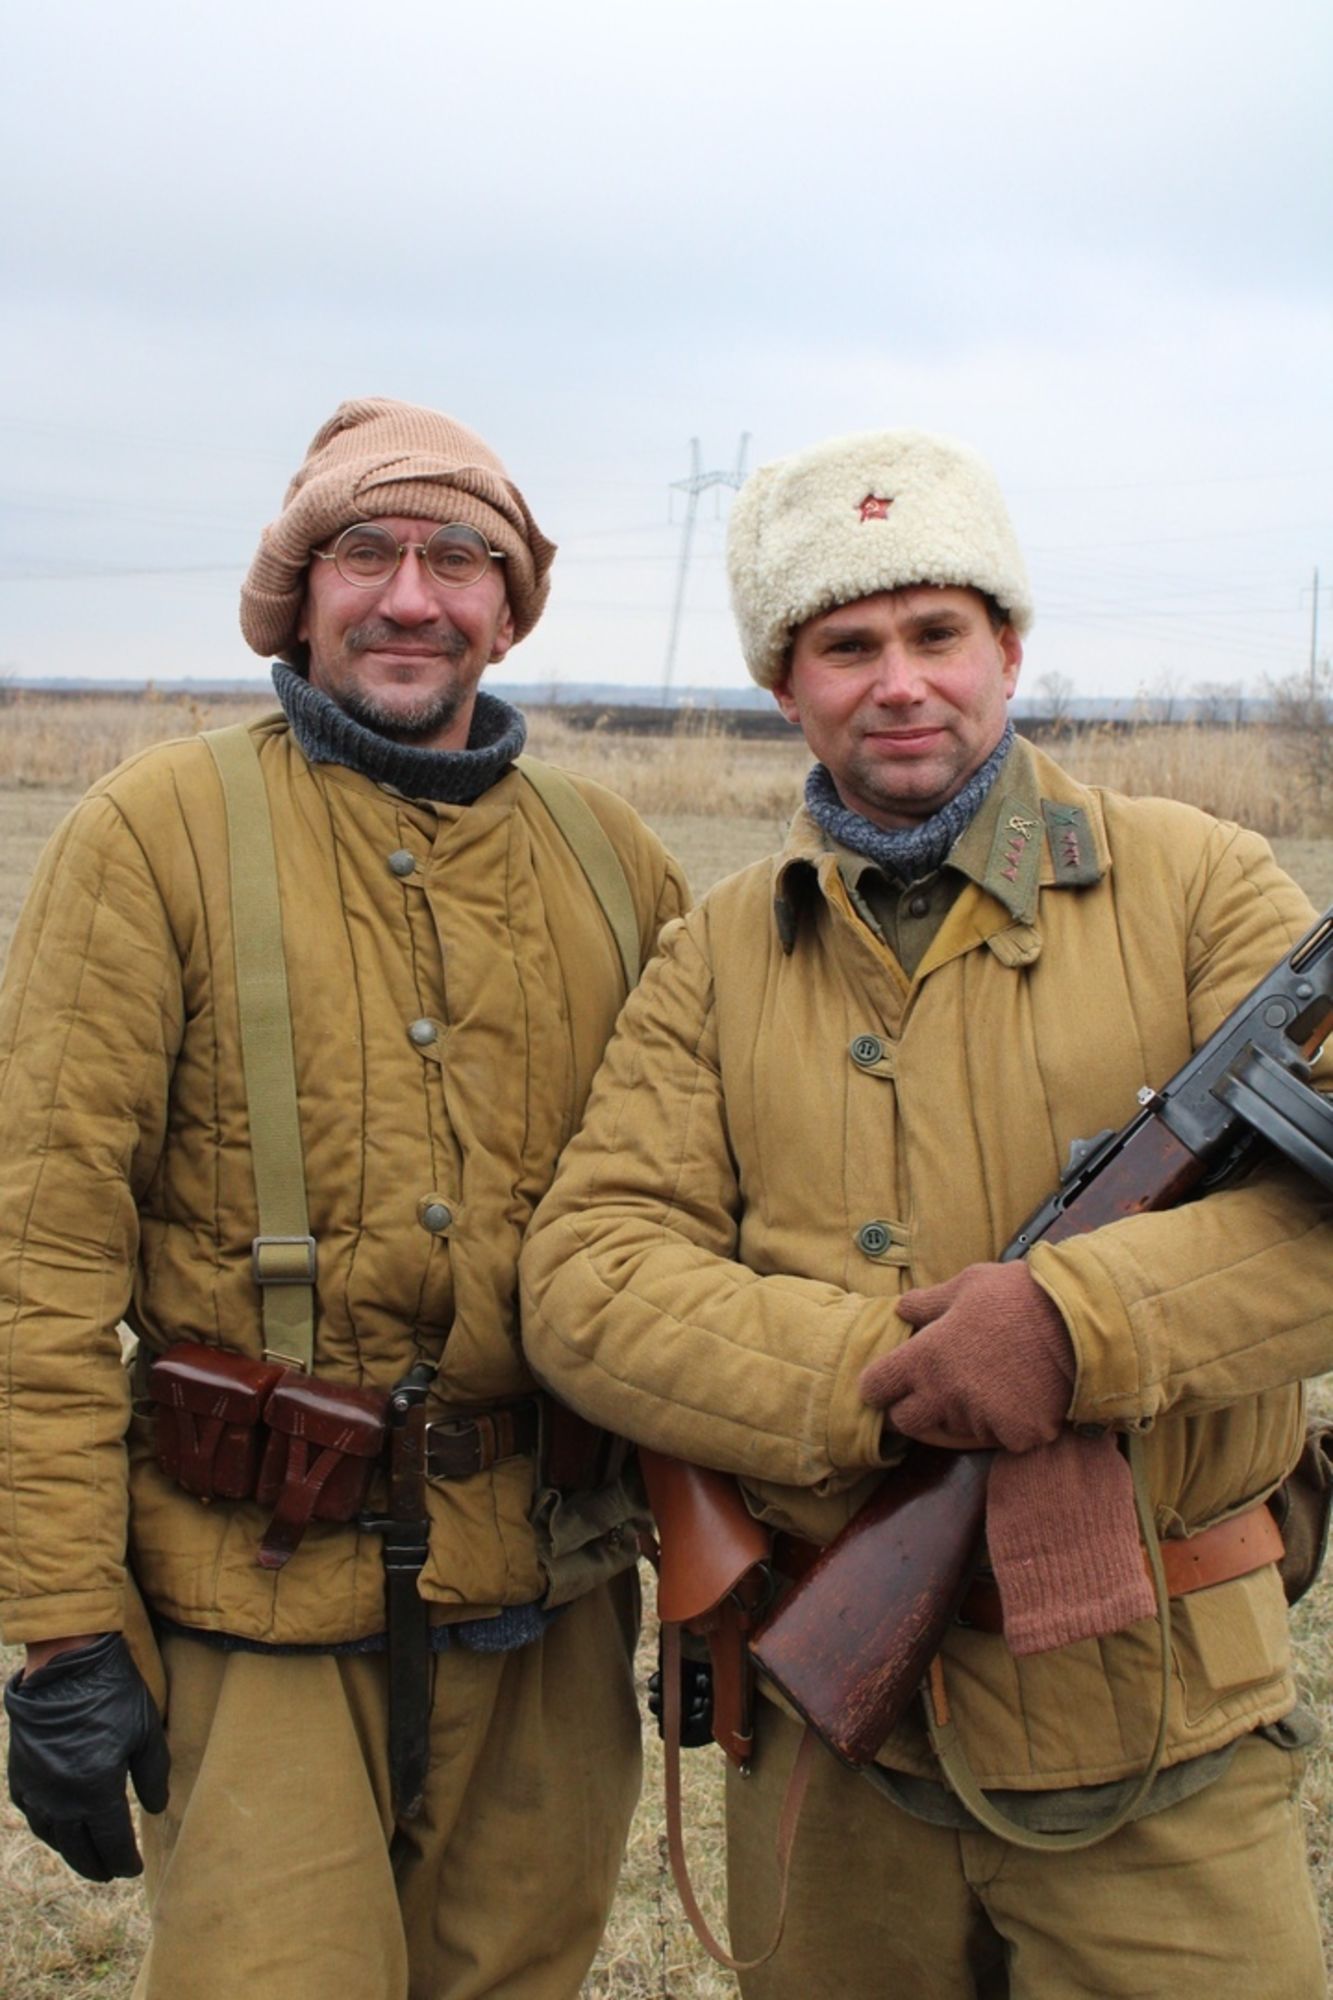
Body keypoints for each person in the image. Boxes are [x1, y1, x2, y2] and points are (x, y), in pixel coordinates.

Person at [520, 428, 1332, 1997]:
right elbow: (588, 1276)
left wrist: (1071, 1324)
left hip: (1161, 1739)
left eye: (935, 633)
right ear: (784, 685)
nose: (898, 683)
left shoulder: (1203, 887)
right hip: (835, 1765)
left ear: (1006, 649)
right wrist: (882, 1381)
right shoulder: (715, 958)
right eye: (845, 647)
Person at [0, 396, 687, 2000]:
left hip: (554, 1597)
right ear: (297, 592)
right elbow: (39, 1261)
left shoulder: (616, 861)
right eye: (364, 552)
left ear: (508, 605)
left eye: (460, 558)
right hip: (258, 1597)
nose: (410, 596)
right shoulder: (152, 837)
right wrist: (61, 1621)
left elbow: (691, 1237)